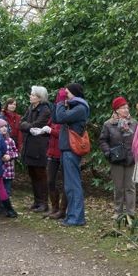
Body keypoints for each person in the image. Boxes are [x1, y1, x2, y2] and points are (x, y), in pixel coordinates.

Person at [53, 82, 90, 227]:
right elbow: (56, 118)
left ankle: (77, 218)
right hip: (66, 148)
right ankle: (72, 216)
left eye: (67, 93)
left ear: (75, 93)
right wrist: (59, 102)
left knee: (73, 184)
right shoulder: (72, 106)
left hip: (72, 150)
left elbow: (61, 117)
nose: (65, 95)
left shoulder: (81, 108)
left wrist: (62, 102)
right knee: (69, 185)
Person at [98, 96, 137, 222]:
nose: (126, 110)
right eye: (122, 107)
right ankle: (118, 212)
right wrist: (108, 152)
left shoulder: (134, 123)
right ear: (116, 110)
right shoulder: (108, 124)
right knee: (118, 187)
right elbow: (103, 140)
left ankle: (131, 212)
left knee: (130, 187)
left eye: (127, 107)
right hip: (116, 159)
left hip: (131, 158)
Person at [20, 86, 53, 212]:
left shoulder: (45, 110)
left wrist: (26, 127)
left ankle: (44, 203)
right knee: (32, 174)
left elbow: (37, 125)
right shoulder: (31, 108)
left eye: (33, 95)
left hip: (39, 147)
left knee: (40, 175)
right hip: (30, 145)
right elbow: (22, 123)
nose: (30, 96)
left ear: (39, 97)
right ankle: (37, 201)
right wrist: (28, 127)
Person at [46, 88, 68, 220]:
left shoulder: (68, 113)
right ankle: (54, 207)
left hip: (63, 152)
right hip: (52, 152)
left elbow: (62, 134)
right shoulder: (55, 113)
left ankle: (62, 209)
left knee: (66, 182)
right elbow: (50, 125)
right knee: (50, 181)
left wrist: (50, 131)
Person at [0, 118, 19, 198]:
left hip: (8, 171)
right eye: (1, 127)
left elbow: (16, 152)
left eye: (5, 126)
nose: (4, 128)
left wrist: (10, 156)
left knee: (6, 191)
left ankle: (4, 208)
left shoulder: (10, 140)